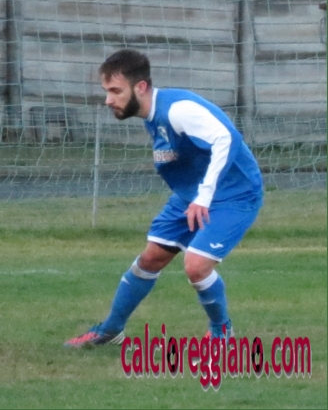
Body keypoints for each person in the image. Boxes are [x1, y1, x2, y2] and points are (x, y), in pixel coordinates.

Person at [64, 49, 263, 348]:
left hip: (234, 194)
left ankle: (221, 333)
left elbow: (226, 138)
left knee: (196, 266)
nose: (108, 100)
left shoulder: (177, 110)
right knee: (150, 259)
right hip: (191, 196)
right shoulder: (153, 114)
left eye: (115, 91)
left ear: (141, 87)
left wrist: (204, 196)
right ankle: (110, 330)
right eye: (107, 91)